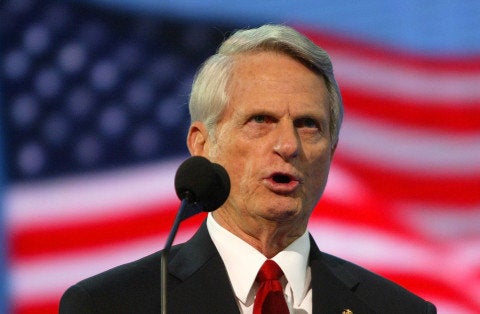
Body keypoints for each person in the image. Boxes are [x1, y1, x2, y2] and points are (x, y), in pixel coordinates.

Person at [60, 24, 436, 313]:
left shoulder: (396, 309)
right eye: (261, 120)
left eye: (309, 124)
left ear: (332, 149)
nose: (288, 145)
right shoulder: (114, 304)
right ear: (202, 145)